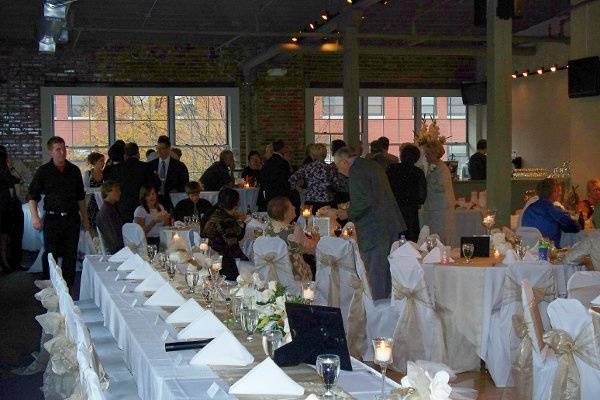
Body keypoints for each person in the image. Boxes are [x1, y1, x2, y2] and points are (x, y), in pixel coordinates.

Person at [334, 146, 406, 300]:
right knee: (387, 270)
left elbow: (362, 202)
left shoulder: (356, 171)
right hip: (389, 223)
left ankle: (378, 311)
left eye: (338, 166)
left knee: (375, 271)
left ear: (345, 162)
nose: (339, 171)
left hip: (374, 227)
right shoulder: (371, 165)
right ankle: (387, 307)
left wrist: (345, 212)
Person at [29, 136, 90, 288]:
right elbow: (32, 196)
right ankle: (50, 289)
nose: (62, 152)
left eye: (64, 148)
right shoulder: (44, 171)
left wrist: (85, 218)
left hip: (71, 220)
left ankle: (68, 290)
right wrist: (35, 217)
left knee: (70, 255)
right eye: (58, 149)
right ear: (51, 152)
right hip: (52, 219)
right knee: (51, 255)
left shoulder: (74, 170)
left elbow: (80, 198)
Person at [265, 196, 316, 280]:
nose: (294, 207)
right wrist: (316, 239)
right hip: (294, 273)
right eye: (291, 206)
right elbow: (310, 249)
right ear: (285, 214)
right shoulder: (294, 230)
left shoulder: (267, 228)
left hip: (274, 273)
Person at [202, 188, 248, 281]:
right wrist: (247, 262)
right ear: (235, 204)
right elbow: (233, 248)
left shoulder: (214, 214)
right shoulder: (227, 221)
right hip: (225, 264)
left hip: (211, 257)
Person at [521, 178, 580, 247]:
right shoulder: (550, 208)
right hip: (548, 248)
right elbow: (575, 227)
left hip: (529, 247)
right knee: (578, 236)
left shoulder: (530, 207)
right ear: (553, 192)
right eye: (558, 191)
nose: (560, 194)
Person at [386, 144, 427, 242]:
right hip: (410, 212)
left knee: (394, 240)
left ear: (402, 156)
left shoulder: (391, 169)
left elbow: (385, 189)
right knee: (411, 240)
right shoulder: (418, 172)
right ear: (416, 158)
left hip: (394, 210)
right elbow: (422, 196)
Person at [420, 142, 457, 246]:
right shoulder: (434, 167)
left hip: (440, 210)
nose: (426, 156)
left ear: (435, 154)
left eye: (428, 154)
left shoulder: (442, 169)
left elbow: (441, 187)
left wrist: (425, 183)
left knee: (440, 236)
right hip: (434, 208)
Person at [289, 143, 338, 214]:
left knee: (309, 223)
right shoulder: (331, 168)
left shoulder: (306, 167)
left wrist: (300, 190)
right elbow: (336, 184)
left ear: (313, 154)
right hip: (327, 202)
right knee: (328, 223)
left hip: (310, 201)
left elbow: (292, 179)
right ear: (325, 155)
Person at [148, 135, 189, 210]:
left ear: (168, 149)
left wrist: (176, 190)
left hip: (173, 202)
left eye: (162, 149)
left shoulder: (179, 166)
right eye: (158, 148)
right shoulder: (150, 165)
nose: (159, 151)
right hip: (154, 202)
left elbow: (185, 184)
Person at [0, 146, 23, 273]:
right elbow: (11, 181)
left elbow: (17, 179)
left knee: (9, 237)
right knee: (4, 238)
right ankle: (5, 263)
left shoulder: (6, 170)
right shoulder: (3, 171)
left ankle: (11, 262)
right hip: (5, 208)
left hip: (11, 206)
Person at [116, 142, 152, 223]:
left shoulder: (118, 168)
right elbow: (154, 185)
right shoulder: (146, 167)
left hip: (123, 205)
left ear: (125, 154)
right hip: (141, 205)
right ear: (137, 153)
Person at [259, 140, 292, 208]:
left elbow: (262, 177)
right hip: (280, 194)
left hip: (268, 194)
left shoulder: (267, 162)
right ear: (282, 149)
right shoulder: (283, 163)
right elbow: (287, 179)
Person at [95, 181, 124, 254]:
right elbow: (114, 240)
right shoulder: (106, 212)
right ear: (107, 192)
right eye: (116, 190)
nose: (119, 193)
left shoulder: (110, 209)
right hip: (116, 252)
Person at [83, 152, 104, 229]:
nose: (103, 163)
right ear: (95, 162)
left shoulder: (104, 173)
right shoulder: (88, 173)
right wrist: (98, 189)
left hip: (102, 201)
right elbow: (85, 188)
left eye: (103, 161)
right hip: (91, 202)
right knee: (92, 224)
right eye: (101, 161)